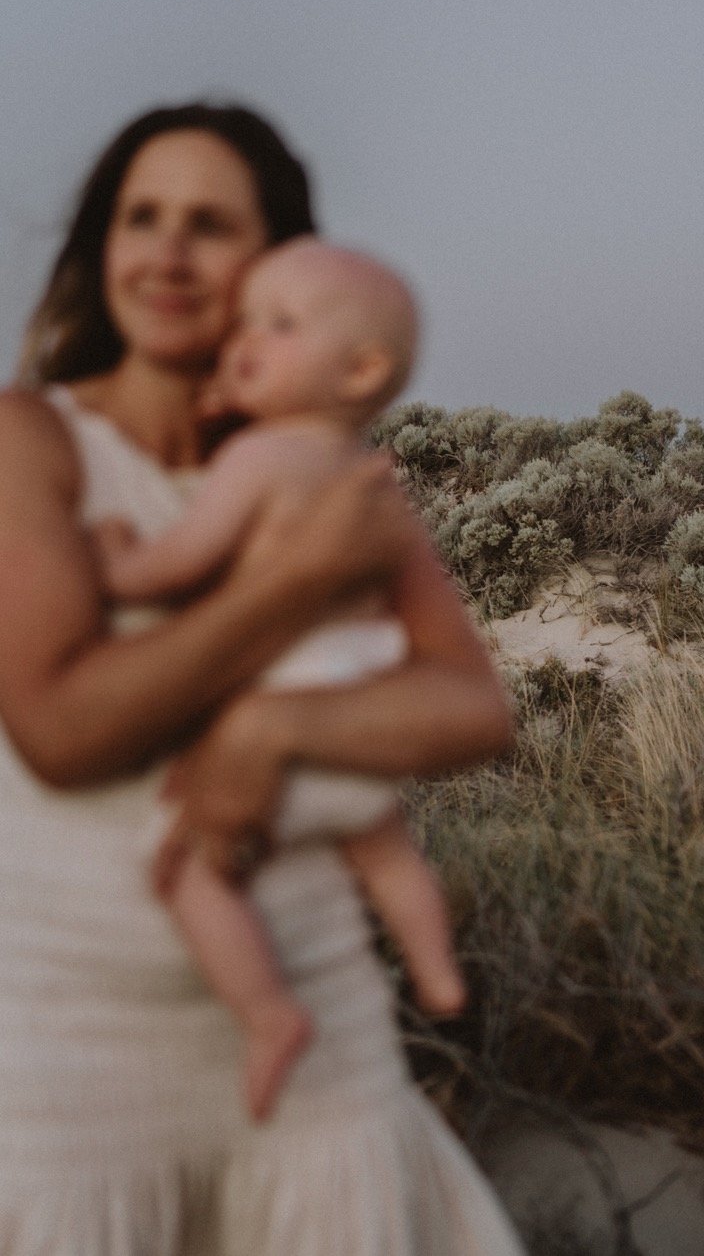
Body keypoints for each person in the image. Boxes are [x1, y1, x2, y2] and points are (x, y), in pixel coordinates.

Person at [0, 102, 524, 1254]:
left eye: (209, 224)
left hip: (324, 1063)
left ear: (274, 256)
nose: (169, 254)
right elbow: (59, 727)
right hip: (77, 1075)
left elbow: (474, 705)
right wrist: (291, 589)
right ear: (102, 246)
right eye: (141, 218)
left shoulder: (329, 470)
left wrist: (271, 730)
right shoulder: (33, 442)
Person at [95, 235, 466, 1123]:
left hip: (277, 712)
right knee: (383, 848)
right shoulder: (373, 477)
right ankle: (440, 974)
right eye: (246, 323)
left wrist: (119, 563)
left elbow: (186, 560)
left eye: (279, 326)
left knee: (186, 871)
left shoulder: (259, 459)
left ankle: (267, 1015)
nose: (245, 341)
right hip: (363, 710)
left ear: (359, 368)